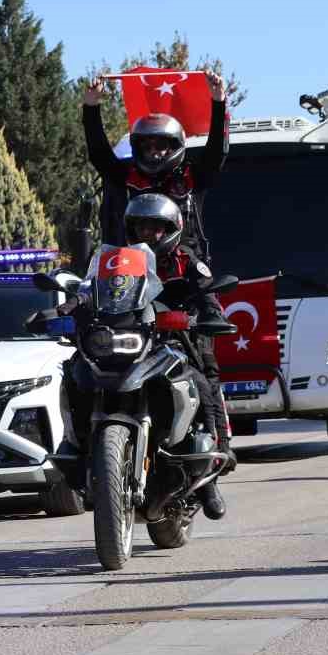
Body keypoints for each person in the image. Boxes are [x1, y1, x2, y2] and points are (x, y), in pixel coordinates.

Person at [121, 193, 230, 520]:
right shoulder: (123, 260)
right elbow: (95, 289)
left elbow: (210, 295)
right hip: (135, 340)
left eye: (156, 228)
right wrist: (71, 306)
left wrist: (208, 314)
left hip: (182, 340)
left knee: (204, 382)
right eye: (141, 227)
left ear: (171, 229)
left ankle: (211, 464)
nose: (148, 234)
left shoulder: (187, 261)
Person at [82, 71, 229, 266]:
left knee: (206, 295)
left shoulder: (190, 176)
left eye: (160, 146)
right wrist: (91, 106)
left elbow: (216, 152)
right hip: (131, 272)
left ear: (174, 146)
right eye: (147, 146)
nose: (154, 152)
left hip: (185, 274)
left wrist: (218, 101)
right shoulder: (127, 175)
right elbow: (99, 154)